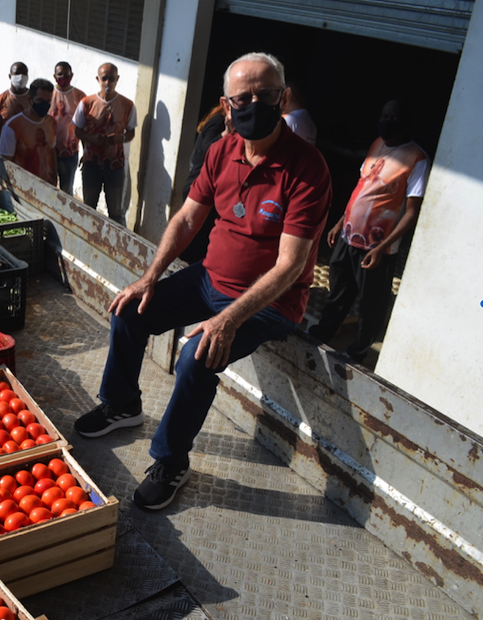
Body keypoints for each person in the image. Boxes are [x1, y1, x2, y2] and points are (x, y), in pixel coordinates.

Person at [73, 52, 332, 511]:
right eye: (243, 97)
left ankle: (171, 461)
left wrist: (227, 319)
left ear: (284, 98)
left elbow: (291, 265)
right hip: (210, 278)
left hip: (270, 302)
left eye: (266, 95)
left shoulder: (307, 168)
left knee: (196, 356)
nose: (255, 104)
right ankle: (122, 406)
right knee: (131, 311)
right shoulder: (222, 149)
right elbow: (189, 218)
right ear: (226, 105)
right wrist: (149, 277)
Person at [308, 99, 426, 364]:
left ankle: (360, 350)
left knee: (371, 302)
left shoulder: (417, 158)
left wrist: (383, 247)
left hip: (377, 246)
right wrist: (340, 223)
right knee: (338, 289)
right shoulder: (377, 144)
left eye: (394, 117)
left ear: (407, 122)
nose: (387, 121)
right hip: (349, 236)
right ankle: (322, 333)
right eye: (385, 115)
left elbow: (411, 212)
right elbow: (361, 188)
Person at [72, 63, 136, 225]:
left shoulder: (127, 105)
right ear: (97, 79)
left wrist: (119, 139)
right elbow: (77, 130)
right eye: (104, 78)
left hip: (115, 166)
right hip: (91, 165)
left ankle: (117, 248)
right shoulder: (86, 103)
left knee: (116, 212)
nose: (108, 82)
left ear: (118, 79)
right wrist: (91, 140)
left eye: (112, 79)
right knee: (88, 209)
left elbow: (131, 132)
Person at [178, 103, 235, 264]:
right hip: (198, 188)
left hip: (211, 192)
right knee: (194, 243)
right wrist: (226, 133)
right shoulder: (218, 121)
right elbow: (207, 151)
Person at [0, 78, 58, 185]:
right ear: (30, 100)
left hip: (45, 186)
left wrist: (54, 178)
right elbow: (5, 162)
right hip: (21, 187)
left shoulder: (51, 122)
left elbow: (52, 151)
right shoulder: (12, 127)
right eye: (40, 100)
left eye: (48, 101)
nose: (44, 105)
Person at [49, 61, 87, 194]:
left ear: (72, 76)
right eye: (60, 74)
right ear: (54, 76)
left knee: (66, 190)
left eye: (67, 74)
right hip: (48, 151)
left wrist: (86, 151)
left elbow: (84, 127)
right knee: (48, 187)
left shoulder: (80, 97)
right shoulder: (48, 94)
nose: (63, 77)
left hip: (69, 153)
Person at [0, 62, 32, 152]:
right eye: (17, 74)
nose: (21, 77)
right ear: (10, 76)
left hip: (27, 153)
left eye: (24, 73)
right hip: (4, 152)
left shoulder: (34, 98)